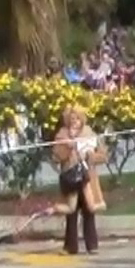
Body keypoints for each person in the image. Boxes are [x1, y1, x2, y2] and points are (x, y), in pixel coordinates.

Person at [51, 105, 110, 254]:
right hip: (70, 178)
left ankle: (92, 245)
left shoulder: (89, 133)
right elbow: (56, 157)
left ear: (82, 119)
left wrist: (91, 155)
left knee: (89, 212)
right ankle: (70, 247)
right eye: (72, 119)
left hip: (87, 177)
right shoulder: (62, 134)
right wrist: (67, 147)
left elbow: (103, 156)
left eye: (77, 119)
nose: (74, 122)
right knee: (71, 214)